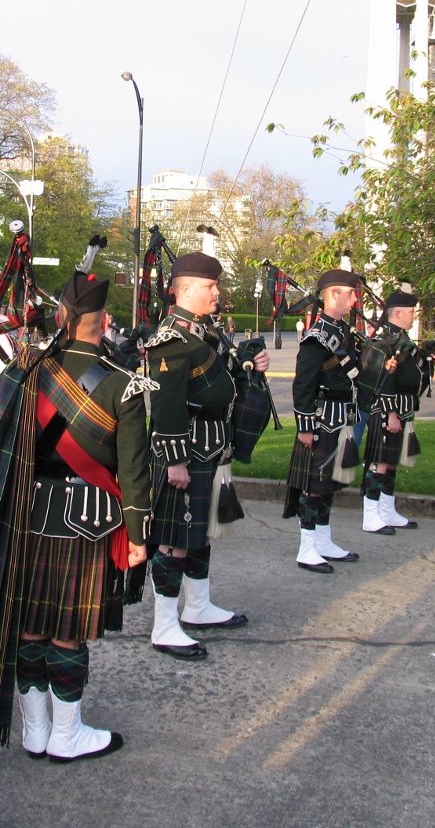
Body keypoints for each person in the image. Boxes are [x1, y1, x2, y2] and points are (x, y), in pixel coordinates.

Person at [0, 270, 152, 761]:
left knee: (29, 624)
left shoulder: (24, 373)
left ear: (62, 317)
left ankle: (34, 730)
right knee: (67, 628)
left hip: (24, 514)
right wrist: (137, 532)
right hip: (88, 518)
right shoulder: (123, 384)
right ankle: (67, 735)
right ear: (104, 321)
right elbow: (133, 471)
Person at [144, 252, 269, 660]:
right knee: (174, 539)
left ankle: (198, 606)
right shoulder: (172, 337)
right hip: (188, 447)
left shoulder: (201, 330)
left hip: (211, 444)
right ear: (186, 290)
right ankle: (164, 626)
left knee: (198, 533)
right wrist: (175, 460)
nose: (218, 291)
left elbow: (219, 378)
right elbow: (165, 403)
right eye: (211, 286)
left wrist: (252, 363)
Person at [284, 269, 362, 572]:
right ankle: (307, 547)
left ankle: (324, 541)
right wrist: (305, 427)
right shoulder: (317, 338)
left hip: (340, 417)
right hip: (320, 420)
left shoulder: (342, 332)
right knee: (314, 485)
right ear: (333, 295)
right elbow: (303, 385)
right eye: (350, 293)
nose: (355, 299)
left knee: (329, 483)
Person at [357, 290, 434, 534]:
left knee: (390, 462)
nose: (413, 316)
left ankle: (387, 511)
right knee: (379, 462)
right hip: (385, 410)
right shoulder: (384, 341)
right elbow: (383, 380)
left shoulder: (400, 338)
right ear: (398, 313)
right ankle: (371, 515)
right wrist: (390, 413)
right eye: (410, 312)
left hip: (401, 408)